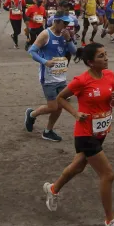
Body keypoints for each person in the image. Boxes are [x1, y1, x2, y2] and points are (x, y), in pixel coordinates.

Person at [42, 43, 114, 226]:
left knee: (78, 166)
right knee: (108, 175)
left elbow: (110, 100)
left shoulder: (110, 76)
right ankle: (110, 221)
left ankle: (53, 189)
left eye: (106, 55)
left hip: (101, 131)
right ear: (90, 62)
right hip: (85, 134)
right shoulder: (81, 80)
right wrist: (75, 113)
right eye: (101, 56)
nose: (106, 58)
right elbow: (61, 97)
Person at [25, 12, 77, 142]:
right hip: (48, 77)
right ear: (56, 21)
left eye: (68, 23)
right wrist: (44, 62)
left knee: (59, 106)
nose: (66, 26)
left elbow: (74, 51)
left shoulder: (66, 34)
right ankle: (31, 114)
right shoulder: (45, 34)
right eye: (64, 23)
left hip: (61, 76)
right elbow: (31, 51)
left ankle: (48, 130)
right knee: (53, 106)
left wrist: (69, 39)